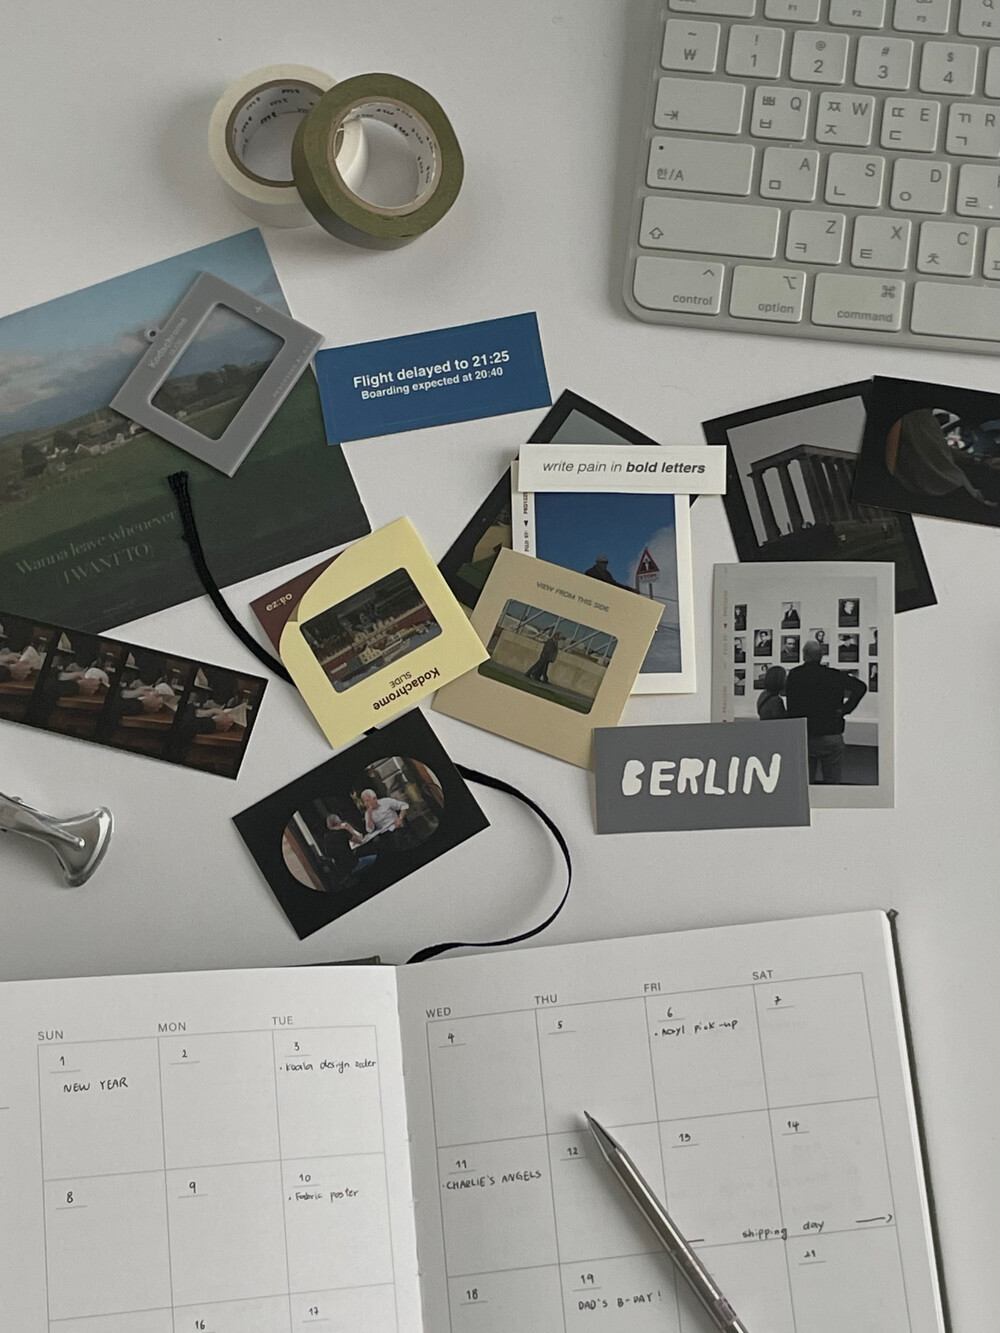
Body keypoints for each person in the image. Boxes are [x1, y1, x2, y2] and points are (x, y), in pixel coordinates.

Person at [785, 640, 868, 784]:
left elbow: (791, 705)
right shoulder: (833, 675)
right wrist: (845, 709)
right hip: (831, 733)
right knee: (832, 783)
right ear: (821, 656)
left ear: (804, 655)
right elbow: (860, 687)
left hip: (805, 734)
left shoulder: (795, 675)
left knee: (805, 784)